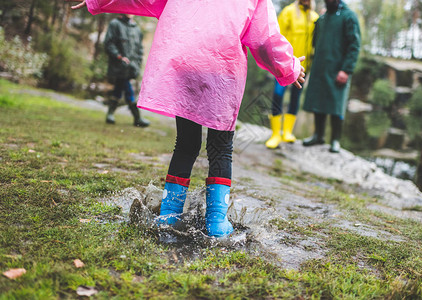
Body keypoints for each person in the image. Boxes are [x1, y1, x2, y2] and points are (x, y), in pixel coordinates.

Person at [70, 0, 305, 238]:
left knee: (186, 143)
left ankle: (169, 214)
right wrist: (289, 68)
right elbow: (264, 39)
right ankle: (216, 221)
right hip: (222, 66)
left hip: (185, 60)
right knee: (221, 147)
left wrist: (96, 1)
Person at [302, 0, 360, 153]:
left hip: (338, 70)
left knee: (336, 106)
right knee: (318, 102)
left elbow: (354, 46)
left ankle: (335, 140)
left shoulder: (349, 17)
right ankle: (318, 135)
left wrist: (346, 70)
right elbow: (314, 42)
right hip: (320, 67)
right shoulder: (322, 18)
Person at [265, 0, 319, 149]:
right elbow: (277, 37)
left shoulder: (314, 18)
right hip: (285, 64)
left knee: (296, 96)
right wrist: (278, 61)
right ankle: (275, 134)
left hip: (303, 66)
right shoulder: (288, 12)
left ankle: (287, 132)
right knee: (278, 94)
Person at [104, 14, 150, 127]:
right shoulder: (115, 24)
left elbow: (139, 49)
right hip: (119, 64)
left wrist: (137, 63)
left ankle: (110, 114)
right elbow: (108, 43)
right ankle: (137, 117)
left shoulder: (136, 29)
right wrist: (119, 56)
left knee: (119, 88)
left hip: (132, 66)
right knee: (127, 88)